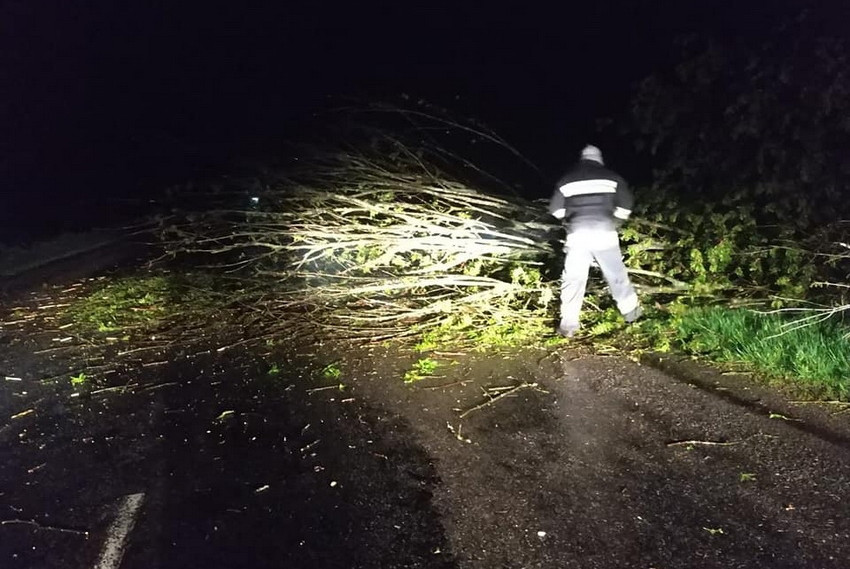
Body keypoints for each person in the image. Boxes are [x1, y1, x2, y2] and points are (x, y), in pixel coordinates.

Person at [548, 145, 642, 337]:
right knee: (616, 274)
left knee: (573, 279)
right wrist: (615, 221)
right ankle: (632, 315)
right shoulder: (612, 177)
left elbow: (555, 210)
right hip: (604, 233)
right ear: (599, 160)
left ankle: (569, 325)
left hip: (578, 236)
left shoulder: (566, 180)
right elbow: (626, 204)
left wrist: (570, 219)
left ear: (581, 159)